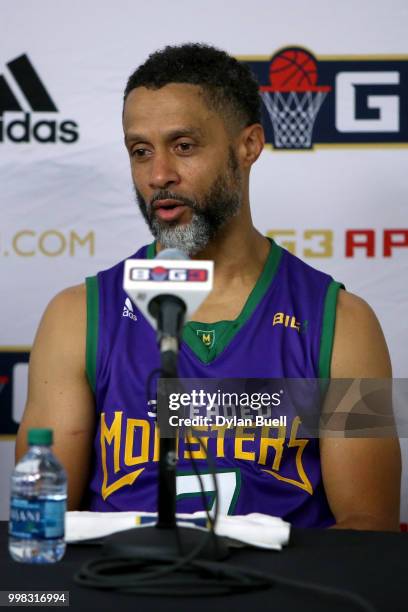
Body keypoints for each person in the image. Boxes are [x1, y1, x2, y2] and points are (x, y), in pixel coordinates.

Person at [16, 43, 401, 530]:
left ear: (249, 146)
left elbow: (369, 529)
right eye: (141, 152)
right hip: (121, 594)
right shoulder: (76, 317)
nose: (159, 176)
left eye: (184, 146)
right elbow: (40, 526)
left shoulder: (342, 322)